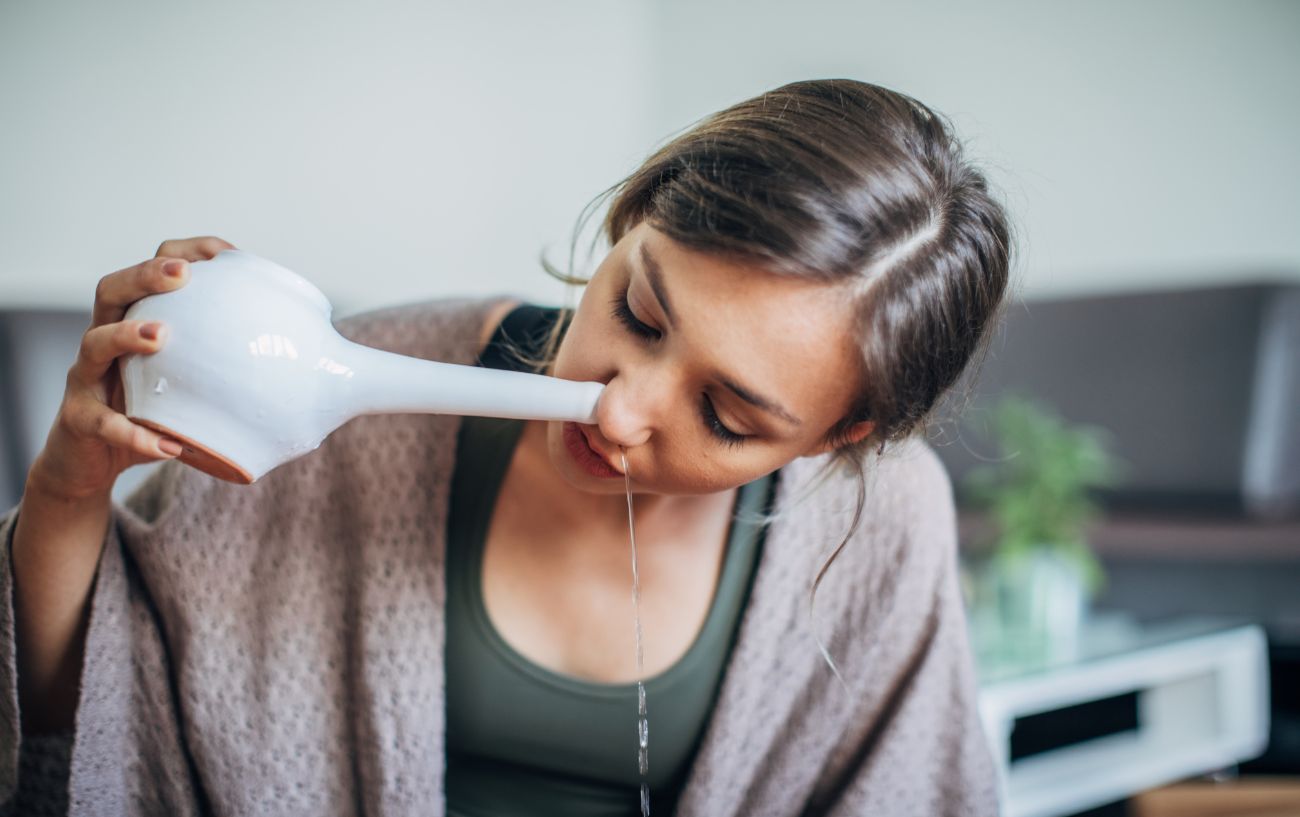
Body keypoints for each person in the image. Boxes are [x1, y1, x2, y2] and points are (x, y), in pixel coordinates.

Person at [2, 78, 1013, 816]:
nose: (616, 414)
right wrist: (70, 483)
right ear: (628, 218)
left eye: (726, 418)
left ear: (843, 434)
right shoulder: (359, 395)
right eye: (640, 311)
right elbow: (85, 733)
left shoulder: (882, 519)